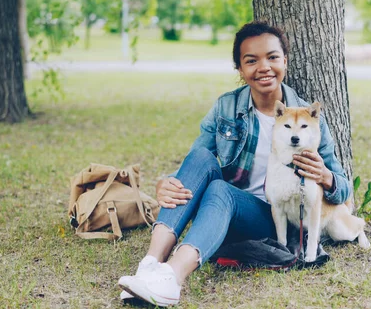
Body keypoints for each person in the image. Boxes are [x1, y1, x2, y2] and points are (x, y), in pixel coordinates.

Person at [117, 21, 352, 306]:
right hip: (222, 211)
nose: (263, 67)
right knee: (203, 159)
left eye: (272, 57)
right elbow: (196, 162)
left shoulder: (308, 118)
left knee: (220, 189)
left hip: (272, 216)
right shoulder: (226, 107)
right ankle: (150, 265)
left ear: (285, 62)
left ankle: (172, 278)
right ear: (240, 70)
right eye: (251, 61)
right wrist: (165, 181)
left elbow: (343, 189)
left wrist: (326, 176)